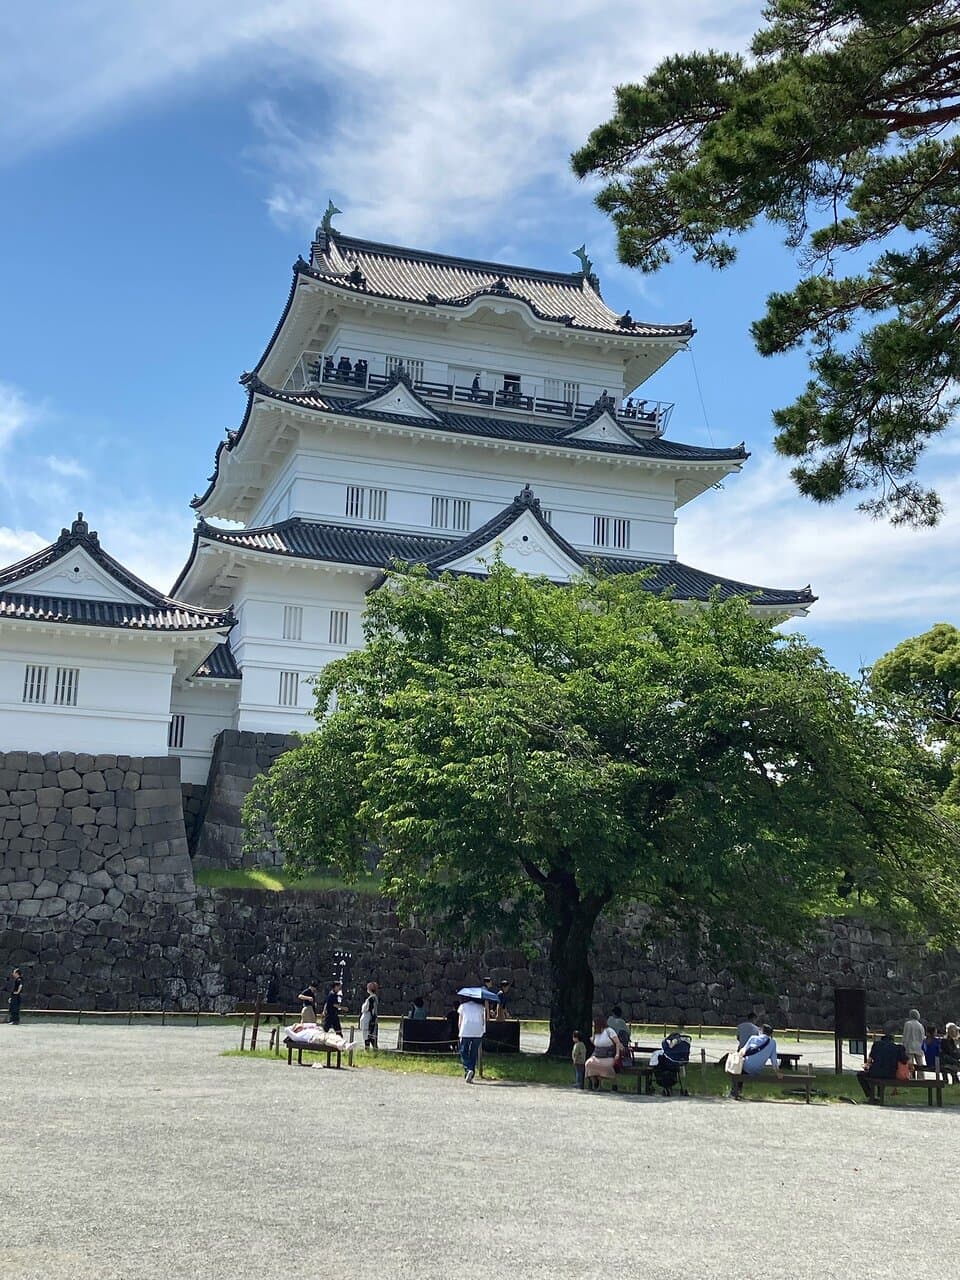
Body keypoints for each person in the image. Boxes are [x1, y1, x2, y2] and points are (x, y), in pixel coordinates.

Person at [729, 1023, 782, 1099]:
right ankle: (737, 1092)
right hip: (757, 1070)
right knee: (743, 1068)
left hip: (746, 1068)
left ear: (761, 1031)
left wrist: (737, 1055)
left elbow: (743, 1051)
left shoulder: (753, 1038)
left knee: (738, 1068)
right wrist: (778, 1072)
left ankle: (735, 1092)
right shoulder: (773, 1043)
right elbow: (774, 1060)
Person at [858, 1023, 908, 1101]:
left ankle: (870, 1095)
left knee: (860, 1074)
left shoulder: (876, 1045)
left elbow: (869, 1061)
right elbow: (905, 1061)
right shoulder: (898, 1048)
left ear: (882, 1039)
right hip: (890, 1074)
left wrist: (867, 1066)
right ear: (892, 1040)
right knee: (881, 1072)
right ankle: (878, 1096)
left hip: (875, 1073)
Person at [584, 1018, 622, 1090]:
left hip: (608, 1055)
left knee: (606, 1066)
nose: (593, 1026)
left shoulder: (609, 1031)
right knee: (588, 1064)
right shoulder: (596, 1032)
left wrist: (617, 1054)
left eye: (594, 1025)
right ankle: (595, 1082)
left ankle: (613, 1083)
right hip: (597, 1055)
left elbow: (617, 1042)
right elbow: (595, 1042)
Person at [457, 995, 486, 1083]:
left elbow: (460, 1021)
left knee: (463, 1051)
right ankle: (470, 1074)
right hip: (477, 1032)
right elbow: (483, 1020)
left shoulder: (463, 1006)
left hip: (466, 1031)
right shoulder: (481, 1007)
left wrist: (460, 1033)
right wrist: (483, 1031)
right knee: (473, 1053)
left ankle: (468, 1069)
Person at [359, 982, 379, 1049]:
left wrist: (372, 1019)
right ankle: (373, 1049)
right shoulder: (373, 998)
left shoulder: (371, 999)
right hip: (368, 1017)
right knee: (370, 1035)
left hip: (368, 1018)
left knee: (368, 1035)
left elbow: (367, 1009)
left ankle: (368, 1049)